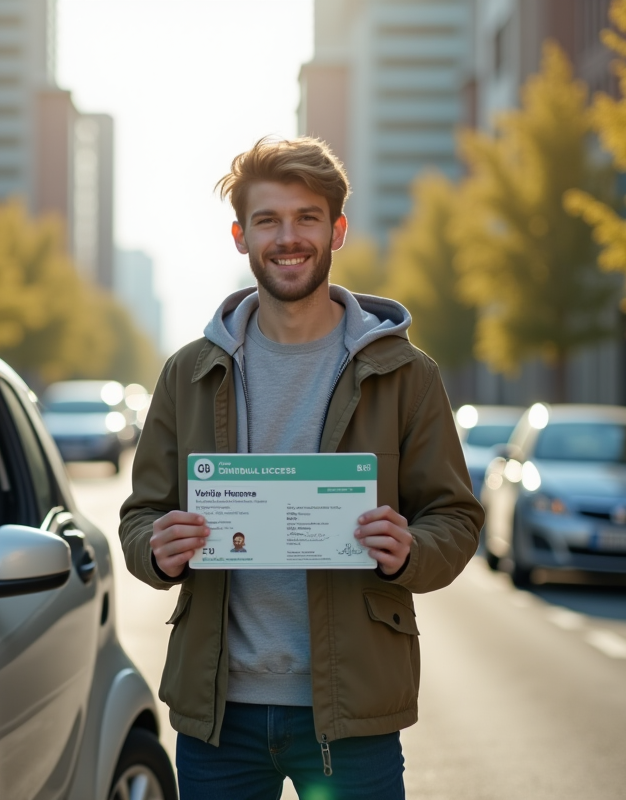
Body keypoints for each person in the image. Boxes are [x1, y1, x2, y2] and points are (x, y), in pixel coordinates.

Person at [119, 136, 483, 799]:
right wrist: (158, 550)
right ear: (241, 237)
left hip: (352, 718)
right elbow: (140, 516)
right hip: (218, 718)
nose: (289, 237)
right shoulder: (187, 374)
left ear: (336, 229)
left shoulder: (406, 374)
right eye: (268, 220)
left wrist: (409, 550)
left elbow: (455, 519)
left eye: (307, 218)